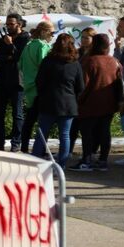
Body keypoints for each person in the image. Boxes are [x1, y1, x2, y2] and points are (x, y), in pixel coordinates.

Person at [32, 34, 85, 167]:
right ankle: (61, 165)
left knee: (42, 134)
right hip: (68, 104)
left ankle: (35, 162)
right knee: (65, 135)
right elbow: (81, 87)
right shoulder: (75, 64)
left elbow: (39, 82)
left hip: (48, 102)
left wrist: (43, 95)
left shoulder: (47, 61)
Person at [75, 34, 121, 172]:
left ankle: (87, 160)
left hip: (90, 104)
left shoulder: (89, 61)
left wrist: (79, 100)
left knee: (87, 132)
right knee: (104, 132)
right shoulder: (114, 61)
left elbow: (83, 84)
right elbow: (118, 83)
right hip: (109, 104)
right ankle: (103, 160)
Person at [0, 13, 30, 152]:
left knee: (17, 114)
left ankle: (16, 142)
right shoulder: (4, 38)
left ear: (19, 24)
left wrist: (10, 45)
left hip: (17, 81)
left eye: (11, 24)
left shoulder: (25, 38)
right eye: (7, 24)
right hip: (1, 80)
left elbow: (19, 56)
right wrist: (9, 56)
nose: (8, 26)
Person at [19, 21, 54, 153]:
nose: (53, 36)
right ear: (44, 32)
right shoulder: (42, 46)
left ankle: (23, 148)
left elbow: (20, 65)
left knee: (29, 121)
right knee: (44, 122)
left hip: (29, 87)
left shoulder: (28, 46)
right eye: (52, 33)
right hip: (40, 88)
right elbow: (45, 67)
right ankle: (40, 150)